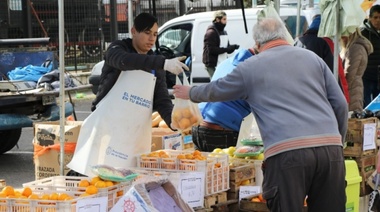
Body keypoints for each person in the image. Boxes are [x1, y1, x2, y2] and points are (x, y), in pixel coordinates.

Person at [174, 18, 348, 212]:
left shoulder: (251, 66)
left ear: (257, 44)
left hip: (287, 152)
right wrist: (337, 141)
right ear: (284, 36)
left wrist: (189, 93)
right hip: (331, 150)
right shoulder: (313, 58)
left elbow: (217, 90)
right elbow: (340, 104)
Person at [91, 12, 188, 125]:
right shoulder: (117, 49)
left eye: (155, 34)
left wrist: (172, 122)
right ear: (134, 31)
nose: (152, 39)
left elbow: (161, 99)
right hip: (106, 120)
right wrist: (163, 63)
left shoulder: (155, 62)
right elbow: (124, 61)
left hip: (135, 125)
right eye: (147, 33)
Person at [193, 48, 254, 152]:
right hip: (221, 132)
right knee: (228, 167)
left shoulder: (226, 62)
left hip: (198, 127)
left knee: (205, 167)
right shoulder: (255, 70)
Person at [294, 14, 350, 103]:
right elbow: (336, 73)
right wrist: (343, 98)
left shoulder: (298, 42)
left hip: (299, 92)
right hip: (321, 95)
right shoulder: (326, 42)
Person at [340, 28, 373, 111]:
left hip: (351, 91)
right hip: (353, 89)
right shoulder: (353, 46)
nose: (341, 36)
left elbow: (349, 74)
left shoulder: (355, 47)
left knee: (350, 119)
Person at [202, 10, 239, 78]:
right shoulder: (211, 33)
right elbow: (211, 49)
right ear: (217, 19)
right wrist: (227, 49)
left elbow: (226, 47)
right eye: (224, 19)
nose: (226, 22)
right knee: (216, 84)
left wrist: (232, 48)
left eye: (226, 19)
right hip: (213, 64)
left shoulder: (223, 32)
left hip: (222, 63)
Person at [361, 4, 380, 107]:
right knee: (366, 107)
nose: (378, 20)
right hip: (366, 76)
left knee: (378, 108)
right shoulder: (363, 34)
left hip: (379, 77)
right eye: (375, 17)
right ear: (370, 18)